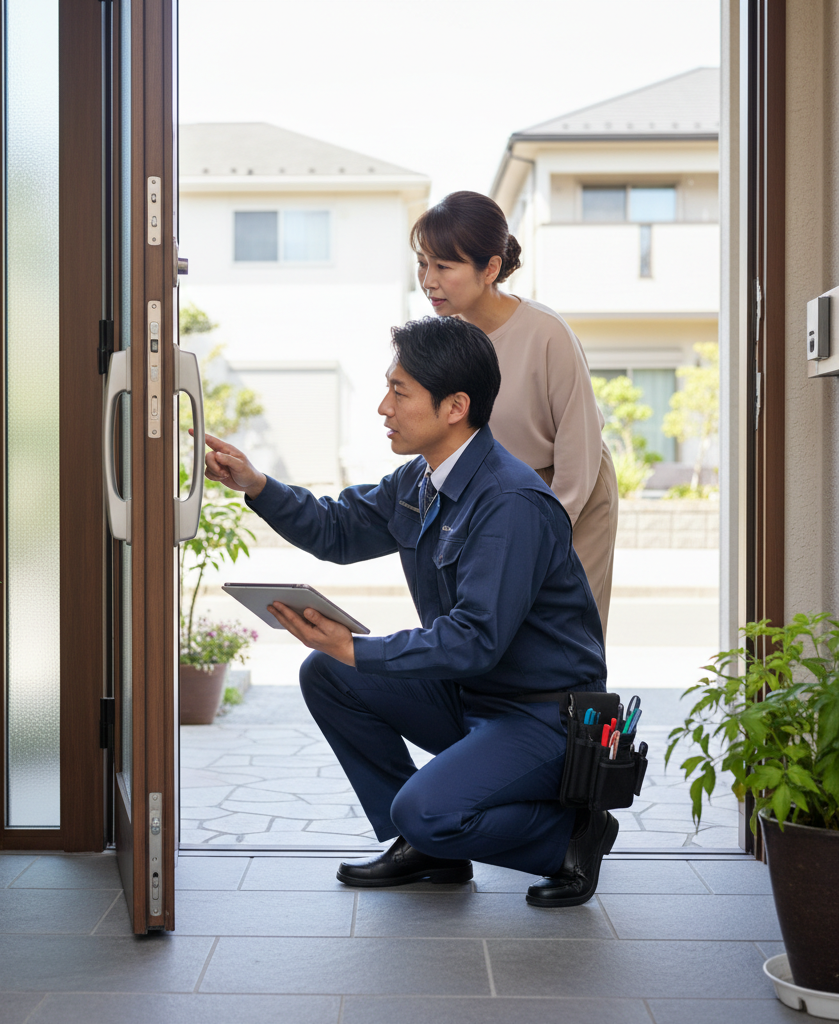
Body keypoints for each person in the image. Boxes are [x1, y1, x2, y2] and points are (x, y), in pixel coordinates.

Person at [199, 315, 618, 907]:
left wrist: (356, 645)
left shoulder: (511, 502)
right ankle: (433, 850)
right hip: (470, 696)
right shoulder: (420, 481)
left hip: (541, 718)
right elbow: (338, 529)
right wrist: (257, 484)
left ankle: (570, 838)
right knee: (329, 674)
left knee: (422, 807)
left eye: (399, 392)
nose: (382, 407)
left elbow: (475, 638)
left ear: (455, 407)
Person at [412, 191, 618, 635]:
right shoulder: (449, 339)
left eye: (443, 267)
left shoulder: (547, 333)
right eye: (423, 264)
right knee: (498, 632)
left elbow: (578, 449)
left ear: (490, 269)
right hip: (500, 495)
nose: (428, 280)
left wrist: (541, 530)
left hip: (568, 489)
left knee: (565, 632)